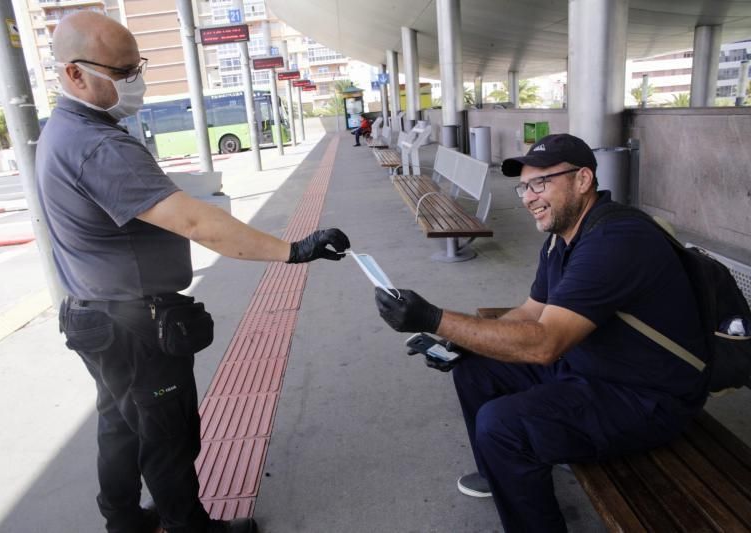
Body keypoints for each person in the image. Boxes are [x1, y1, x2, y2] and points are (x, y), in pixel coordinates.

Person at [36, 12, 351, 533]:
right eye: (120, 71)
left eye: (136, 68)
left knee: (120, 424)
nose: (134, 82)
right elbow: (196, 222)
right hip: (133, 324)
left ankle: (123, 521)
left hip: (95, 316)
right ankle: (190, 527)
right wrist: (292, 250)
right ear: (73, 74)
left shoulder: (66, 130)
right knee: (167, 433)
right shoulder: (98, 144)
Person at [374, 133, 709, 532]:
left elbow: (546, 343)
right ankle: (499, 472)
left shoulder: (616, 240)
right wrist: (460, 340)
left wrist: (433, 318)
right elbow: (531, 312)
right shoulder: (561, 238)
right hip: (590, 366)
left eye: (541, 183)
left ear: (583, 180)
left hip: (646, 396)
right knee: (474, 368)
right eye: (524, 186)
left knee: (503, 426)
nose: (528, 197)